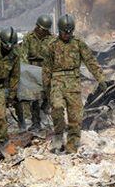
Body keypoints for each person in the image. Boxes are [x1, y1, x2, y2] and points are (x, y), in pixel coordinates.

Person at [43, 14, 106, 154]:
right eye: (65, 32)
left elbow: (90, 61)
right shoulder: (52, 45)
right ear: (59, 31)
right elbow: (46, 69)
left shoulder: (78, 43)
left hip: (73, 81)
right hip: (57, 81)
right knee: (57, 108)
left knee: (75, 116)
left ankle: (72, 147)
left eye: (70, 32)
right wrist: (46, 89)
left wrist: (101, 78)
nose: (67, 35)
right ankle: (58, 134)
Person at [21, 14, 54, 131]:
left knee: (50, 93)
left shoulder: (52, 39)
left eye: (45, 30)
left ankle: (45, 108)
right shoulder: (28, 38)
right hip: (32, 67)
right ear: (37, 26)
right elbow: (23, 54)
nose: (42, 32)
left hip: (46, 68)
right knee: (34, 96)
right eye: (41, 29)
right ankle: (36, 122)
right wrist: (27, 70)